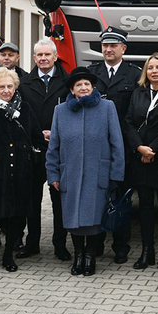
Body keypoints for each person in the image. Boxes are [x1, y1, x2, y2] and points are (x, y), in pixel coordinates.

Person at [46, 66, 125, 276]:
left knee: (94, 219)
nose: (83, 87)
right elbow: (53, 146)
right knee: (73, 219)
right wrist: (53, 174)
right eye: (78, 84)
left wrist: (116, 175)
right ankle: (78, 255)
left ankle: (90, 256)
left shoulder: (107, 108)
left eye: (86, 84)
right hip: (69, 175)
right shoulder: (60, 111)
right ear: (72, 89)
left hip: (97, 174)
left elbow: (117, 144)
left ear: (92, 87)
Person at [0, 68, 45, 272]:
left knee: (16, 218)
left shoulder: (25, 109)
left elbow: (37, 138)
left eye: (9, 86)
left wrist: (34, 163)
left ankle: (8, 256)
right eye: (1, 87)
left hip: (21, 173)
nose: (6, 90)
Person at [89, 26, 141, 263]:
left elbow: (137, 113)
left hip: (123, 148)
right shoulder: (91, 73)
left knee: (122, 198)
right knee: (98, 196)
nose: (108, 50)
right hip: (96, 147)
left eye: (113, 45)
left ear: (123, 48)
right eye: (105, 46)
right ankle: (96, 243)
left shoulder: (134, 75)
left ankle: (121, 247)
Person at [17, 38, 70, 260]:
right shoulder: (24, 83)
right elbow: (20, 115)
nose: (43, 58)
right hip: (33, 150)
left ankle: (60, 244)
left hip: (59, 150)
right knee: (31, 200)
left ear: (55, 57)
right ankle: (32, 243)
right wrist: (38, 134)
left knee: (59, 200)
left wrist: (55, 133)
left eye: (47, 55)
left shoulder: (67, 82)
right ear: (34, 58)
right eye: (39, 55)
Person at [122, 53, 158, 270]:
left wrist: (152, 149)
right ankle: (147, 251)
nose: (154, 71)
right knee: (145, 206)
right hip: (141, 159)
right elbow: (128, 122)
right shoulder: (138, 93)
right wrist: (139, 148)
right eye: (150, 67)